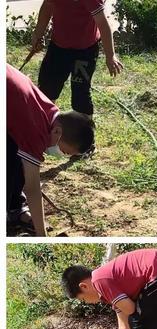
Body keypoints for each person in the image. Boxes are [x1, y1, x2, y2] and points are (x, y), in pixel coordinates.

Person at [7, 64, 95, 236]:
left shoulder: (49, 111)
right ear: (57, 132)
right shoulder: (35, 131)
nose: (60, 155)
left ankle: (14, 208)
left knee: (15, 154)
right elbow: (32, 188)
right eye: (65, 152)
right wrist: (42, 235)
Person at [31, 0, 123, 156]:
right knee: (46, 92)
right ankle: (41, 136)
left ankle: (85, 144)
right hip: (58, 47)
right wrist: (38, 34)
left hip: (85, 50)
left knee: (81, 96)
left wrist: (110, 55)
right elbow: (47, 6)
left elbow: (102, 22)